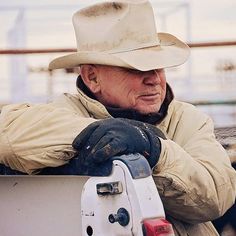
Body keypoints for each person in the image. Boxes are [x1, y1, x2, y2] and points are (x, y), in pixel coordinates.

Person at [0, 1, 235, 235]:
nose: (154, 78)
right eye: (137, 68)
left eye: (158, 66)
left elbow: (216, 197)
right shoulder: (65, 111)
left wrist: (155, 150)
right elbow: (7, 133)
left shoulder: (188, 119)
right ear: (92, 77)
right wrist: (111, 133)